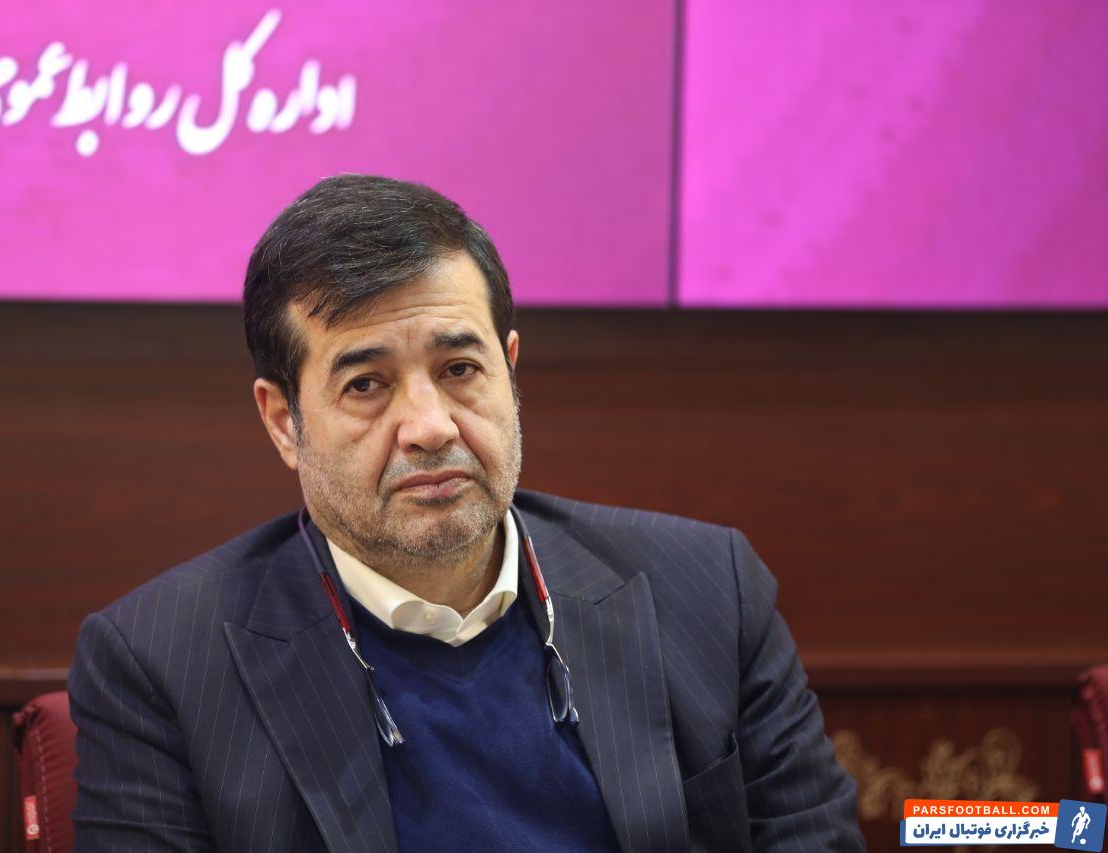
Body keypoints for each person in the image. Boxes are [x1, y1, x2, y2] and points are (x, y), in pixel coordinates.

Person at [68, 174, 864, 852]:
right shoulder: (160, 663)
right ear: (284, 421)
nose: (430, 426)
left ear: (509, 373)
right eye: (366, 385)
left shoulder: (707, 590)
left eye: (458, 368)